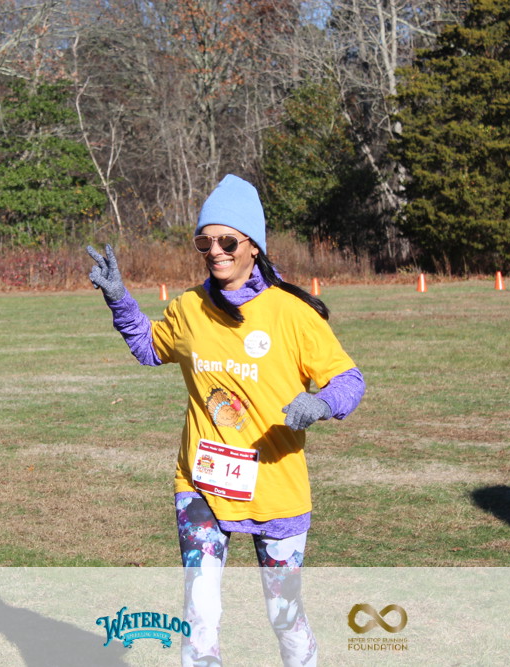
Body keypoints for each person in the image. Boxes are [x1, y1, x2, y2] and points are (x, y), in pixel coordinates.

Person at [87, 174, 365, 667]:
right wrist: (119, 300)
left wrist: (322, 404)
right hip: (201, 484)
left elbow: (349, 380)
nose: (215, 251)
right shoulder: (190, 308)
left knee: (284, 615)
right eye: (205, 242)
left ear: (253, 246)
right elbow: (150, 347)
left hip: (276, 488)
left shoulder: (292, 313)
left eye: (227, 241)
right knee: (200, 614)